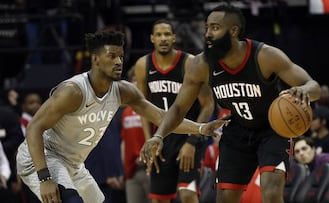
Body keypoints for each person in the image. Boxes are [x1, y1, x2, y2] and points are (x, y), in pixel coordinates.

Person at [15, 30, 226, 203]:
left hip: (74, 164)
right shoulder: (73, 91)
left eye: (121, 56)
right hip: (43, 158)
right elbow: (34, 128)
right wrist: (44, 177)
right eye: (112, 56)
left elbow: (162, 116)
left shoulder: (124, 90)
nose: (119, 61)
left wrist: (200, 128)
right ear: (96, 59)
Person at [140, 4, 321, 203]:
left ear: (233, 31)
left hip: (272, 130)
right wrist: (159, 135)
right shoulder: (201, 65)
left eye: (215, 28)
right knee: (225, 198)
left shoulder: (265, 56)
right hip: (237, 131)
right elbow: (179, 108)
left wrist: (303, 90)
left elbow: (314, 87)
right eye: (207, 27)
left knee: (270, 193)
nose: (208, 33)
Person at [134, 19, 215, 203]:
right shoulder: (142, 65)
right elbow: (142, 106)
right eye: (159, 35)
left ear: (174, 38)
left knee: (187, 194)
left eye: (167, 34)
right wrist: (150, 140)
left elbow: (208, 104)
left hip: (188, 135)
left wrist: (193, 142)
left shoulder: (190, 63)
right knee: (158, 199)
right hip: (162, 138)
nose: (163, 38)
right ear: (152, 38)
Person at [120, 67, 150, 203]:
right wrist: (123, 166)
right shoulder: (126, 112)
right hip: (131, 170)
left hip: (151, 168)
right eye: (133, 80)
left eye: (139, 80)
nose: (135, 83)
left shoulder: (152, 110)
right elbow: (124, 141)